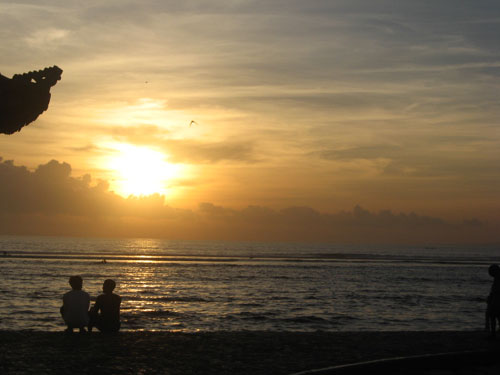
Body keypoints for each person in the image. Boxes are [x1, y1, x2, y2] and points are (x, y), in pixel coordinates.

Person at [486, 264, 500, 339]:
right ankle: (493, 333)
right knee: (495, 316)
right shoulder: (497, 278)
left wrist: (492, 298)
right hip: (496, 300)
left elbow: (496, 290)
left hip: (497, 300)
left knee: (493, 316)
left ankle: (493, 334)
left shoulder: (498, 278)